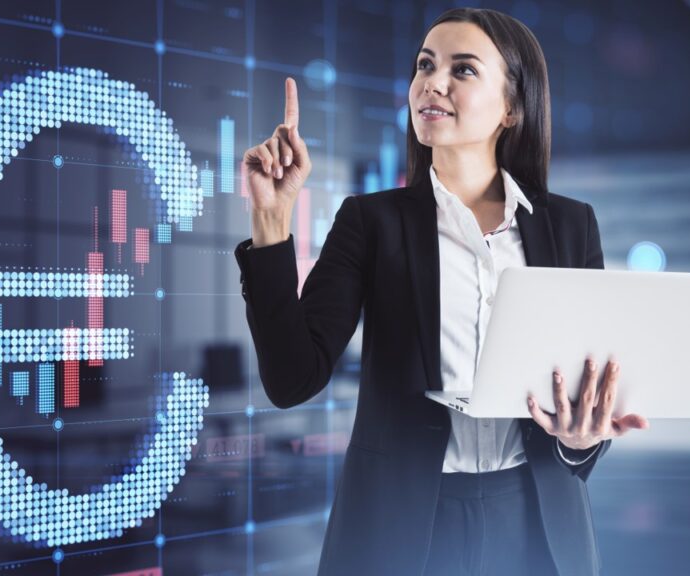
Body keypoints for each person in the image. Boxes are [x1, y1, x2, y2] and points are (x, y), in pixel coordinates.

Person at [234, 7, 648, 576]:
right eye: (425, 65)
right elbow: (290, 379)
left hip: (537, 526)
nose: (433, 81)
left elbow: (582, 394)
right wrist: (272, 220)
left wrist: (581, 441)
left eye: (463, 69)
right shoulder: (370, 221)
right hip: (402, 528)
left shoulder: (571, 226)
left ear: (512, 107)